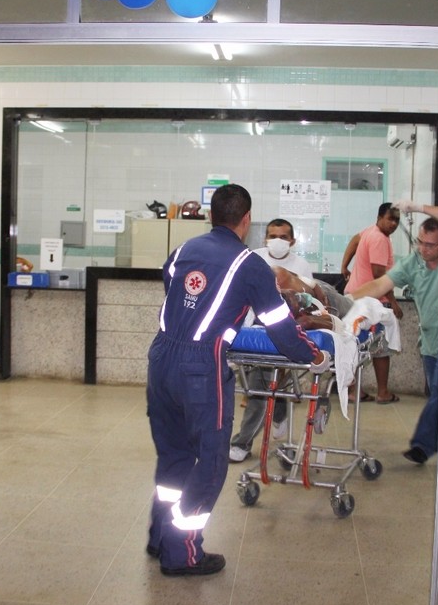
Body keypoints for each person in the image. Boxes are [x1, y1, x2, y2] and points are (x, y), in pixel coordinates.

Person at [146, 183, 331, 576]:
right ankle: (183, 554)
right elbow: (280, 327)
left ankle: (160, 537)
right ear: (246, 221)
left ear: (212, 215)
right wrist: (312, 354)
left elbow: (173, 289)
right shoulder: (250, 266)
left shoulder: (183, 250)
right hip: (201, 366)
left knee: (175, 456)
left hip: (160, 357)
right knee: (210, 462)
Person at [348, 200, 438, 464]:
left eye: (430, 245)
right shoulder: (415, 262)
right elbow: (381, 283)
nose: (422, 249)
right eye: (419, 242)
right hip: (430, 341)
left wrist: (416, 207)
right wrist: (345, 300)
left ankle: (422, 446)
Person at [229, 220, 315, 462]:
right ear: (265, 238)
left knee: (260, 388)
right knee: (266, 387)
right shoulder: (254, 259)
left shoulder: (301, 266)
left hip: (286, 333)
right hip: (255, 333)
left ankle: (242, 443)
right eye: (273, 235)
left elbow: (306, 304)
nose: (278, 240)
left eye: (284, 236)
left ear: (293, 241)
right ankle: (278, 414)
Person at [341, 202, 404, 404]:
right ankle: (383, 392)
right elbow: (379, 276)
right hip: (371, 302)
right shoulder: (379, 239)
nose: (393, 224)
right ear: (380, 217)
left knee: (353, 344)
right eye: (390, 219)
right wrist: (393, 301)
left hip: (354, 297)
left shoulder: (370, 231)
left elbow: (354, 240)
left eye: (397, 220)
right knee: (381, 349)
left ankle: (353, 391)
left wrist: (345, 265)